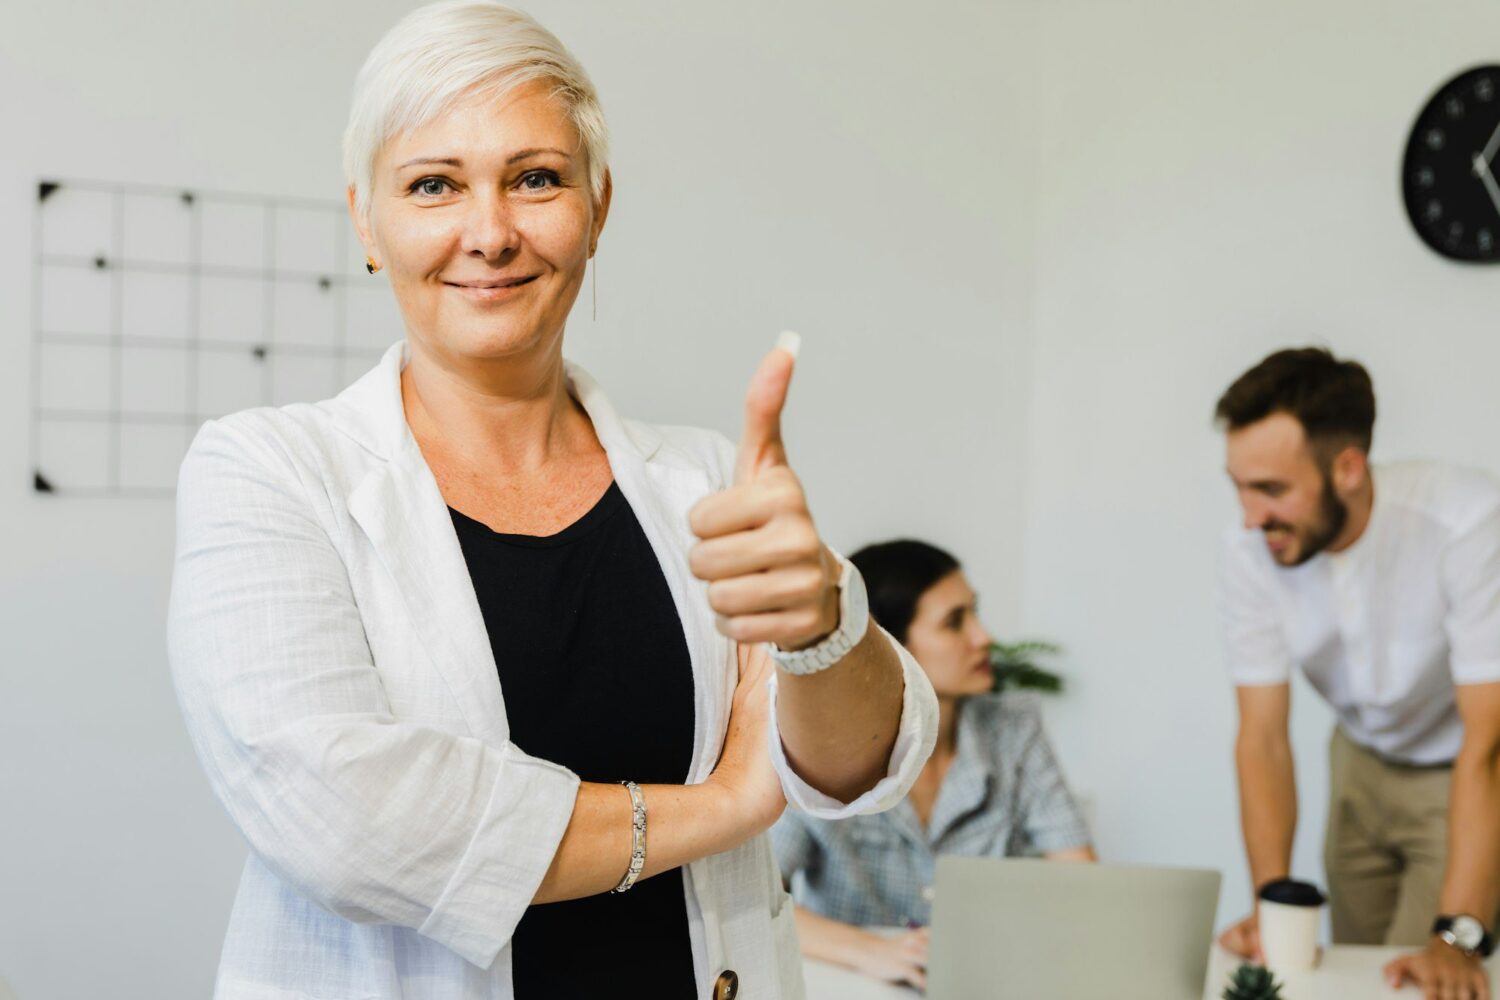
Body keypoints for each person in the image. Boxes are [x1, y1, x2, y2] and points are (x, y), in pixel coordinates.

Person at [165, 4, 938, 998]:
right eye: (434, 185)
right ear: (367, 218)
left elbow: (857, 767)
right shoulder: (268, 472)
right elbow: (348, 821)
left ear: (597, 208)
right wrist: (727, 806)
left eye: (535, 179)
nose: (488, 233)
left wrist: (825, 623)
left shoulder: (706, 480)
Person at [1214, 347, 1500, 998]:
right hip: (1358, 763)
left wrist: (1459, 937)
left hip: (1462, 765)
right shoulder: (1249, 545)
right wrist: (1270, 904)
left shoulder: (1465, 520)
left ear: (1347, 468)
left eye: (1272, 490)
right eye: (1239, 486)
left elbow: (1491, 740)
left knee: (1426, 978)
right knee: (1353, 971)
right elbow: (1260, 736)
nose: (1250, 517)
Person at [772, 539, 1093, 991]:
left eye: (974, 613)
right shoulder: (814, 746)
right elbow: (761, 895)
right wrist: (869, 951)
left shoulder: (1016, 731)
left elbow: (1083, 887)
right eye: (955, 622)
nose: (984, 638)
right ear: (887, 646)